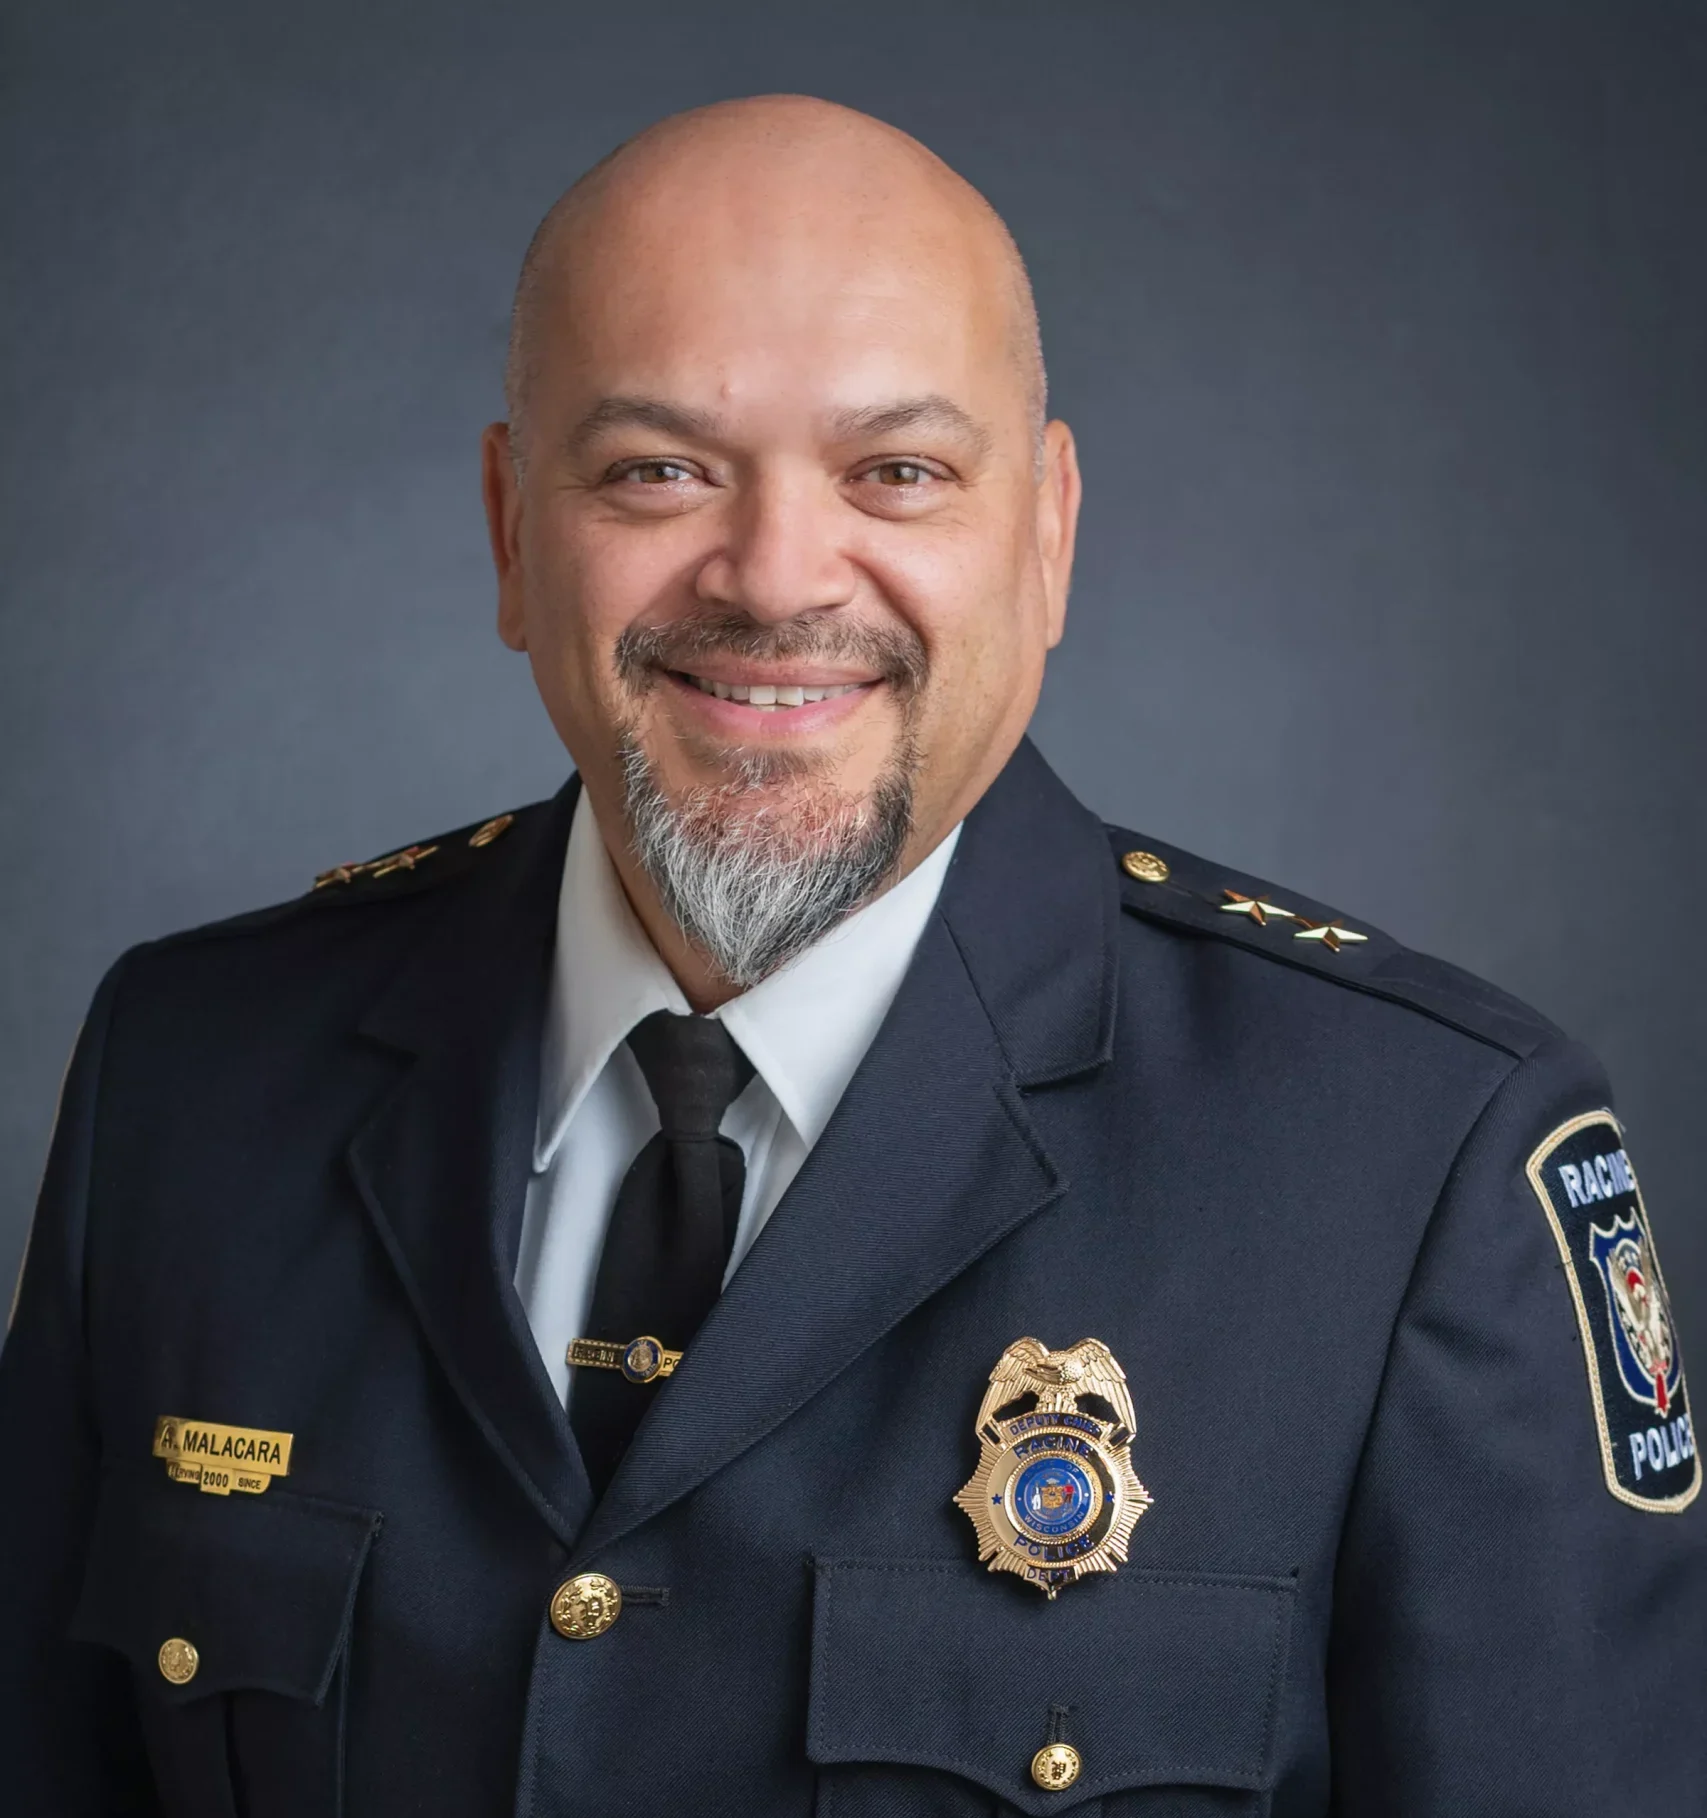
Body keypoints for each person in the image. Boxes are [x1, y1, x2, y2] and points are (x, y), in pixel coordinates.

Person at [2, 93, 1700, 1818]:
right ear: (515, 529)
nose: (773, 575)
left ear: (1044, 533)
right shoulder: (189, 1077)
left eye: (896, 470)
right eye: (656, 468)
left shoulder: (1414, 1156)